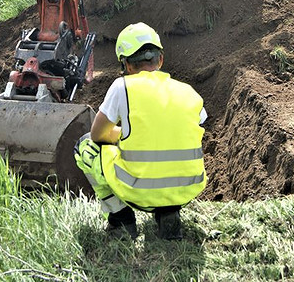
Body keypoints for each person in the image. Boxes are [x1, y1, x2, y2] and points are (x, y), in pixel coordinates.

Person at [74, 22, 207, 241]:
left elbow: (97, 135)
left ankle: (121, 220)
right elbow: (190, 127)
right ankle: (168, 212)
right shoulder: (189, 92)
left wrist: (123, 134)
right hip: (187, 190)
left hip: (139, 191)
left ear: (125, 65)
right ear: (160, 59)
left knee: (85, 146)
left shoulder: (122, 86)